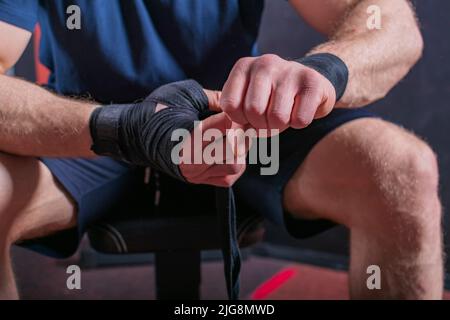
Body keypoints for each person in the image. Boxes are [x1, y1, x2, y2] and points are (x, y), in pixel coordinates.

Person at [0, 0, 441, 300]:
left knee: (402, 168)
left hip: (242, 134)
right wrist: (126, 128)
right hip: (96, 136)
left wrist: (322, 71)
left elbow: (391, 24)